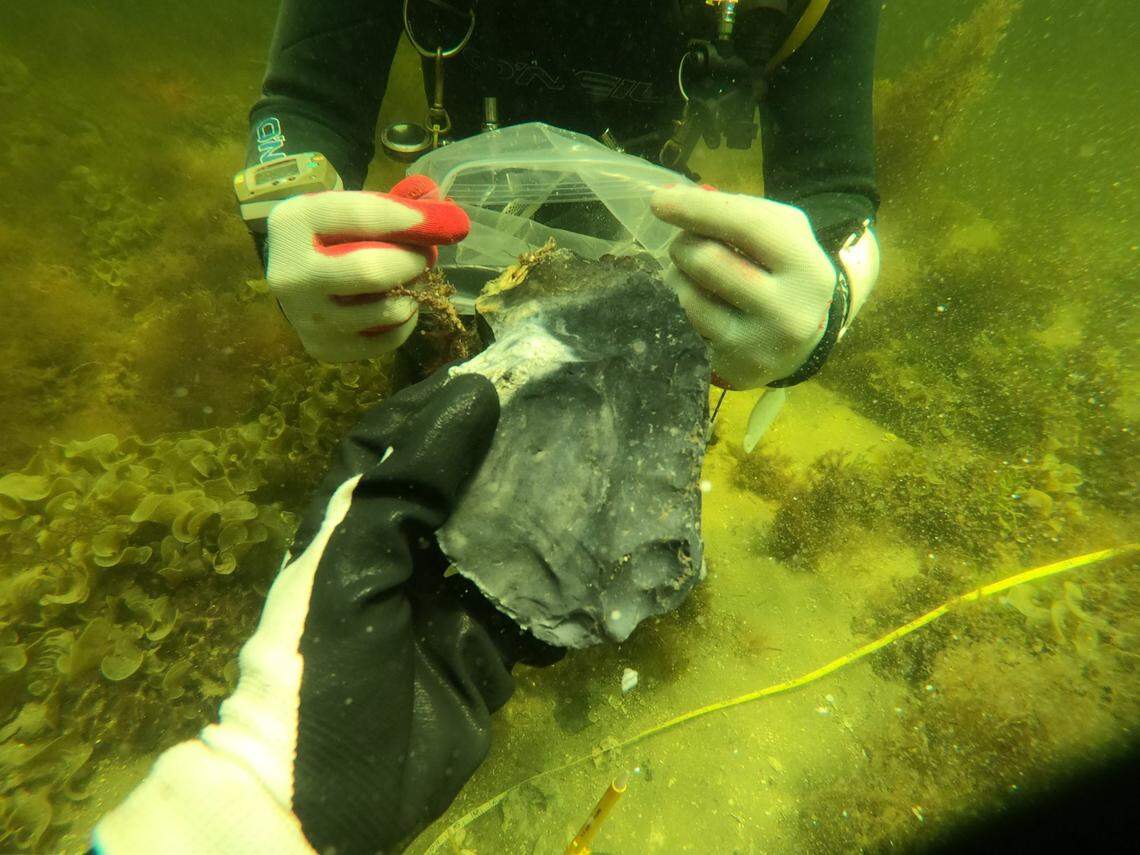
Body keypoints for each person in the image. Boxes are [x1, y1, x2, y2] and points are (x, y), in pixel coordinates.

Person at [98, 2, 883, 851]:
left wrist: (824, 305)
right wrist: (289, 216)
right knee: (443, 409)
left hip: (637, 232)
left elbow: (836, 188)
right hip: (455, 230)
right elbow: (305, 100)